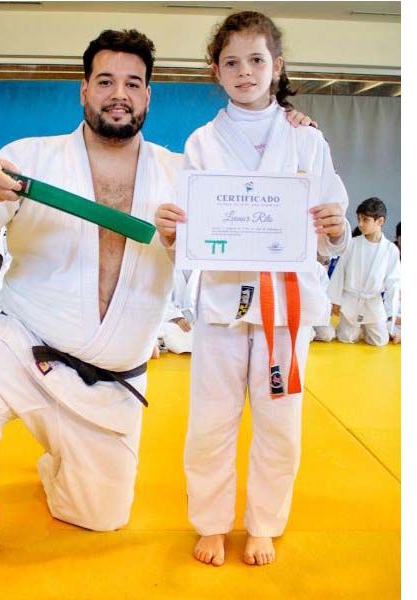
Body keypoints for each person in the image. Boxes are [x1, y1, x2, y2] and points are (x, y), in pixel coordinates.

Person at [0, 28, 315, 590]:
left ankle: (59, 462)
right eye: (105, 81)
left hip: (110, 381)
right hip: (23, 349)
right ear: (84, 90)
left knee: (100, 516)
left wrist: (289, 127)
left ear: (148, 95)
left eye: (132, 83)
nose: (118, 94)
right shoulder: (30, 158)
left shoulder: (184, 174)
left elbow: (255, 209)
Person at [155, 11, 350, 568]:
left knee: (279, 421)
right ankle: (212, 522)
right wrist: (173, 231)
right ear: (216, 71)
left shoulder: (306, 138)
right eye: (232, 62)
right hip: (222, 301)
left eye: (256, 60)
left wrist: (335, 227)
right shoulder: (201, 142)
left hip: (287, 305)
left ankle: (264, 522)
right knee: (211, 419)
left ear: (277, 66)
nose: (245, 72)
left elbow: (330, 225)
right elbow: (190, 229)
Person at [328, 197, 400, 346]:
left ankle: (369, 328)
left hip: (373, 302)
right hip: (351, 300)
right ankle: (355, 328)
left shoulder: (390, 249)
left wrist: (391, 313)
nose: (360, 224)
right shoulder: (352, 244)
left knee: (380, 341)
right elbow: (340, 272)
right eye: (359, 219)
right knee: (346, 338)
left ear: (380, 221)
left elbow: (393, 282)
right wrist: (335, 300)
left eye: (365, 220)